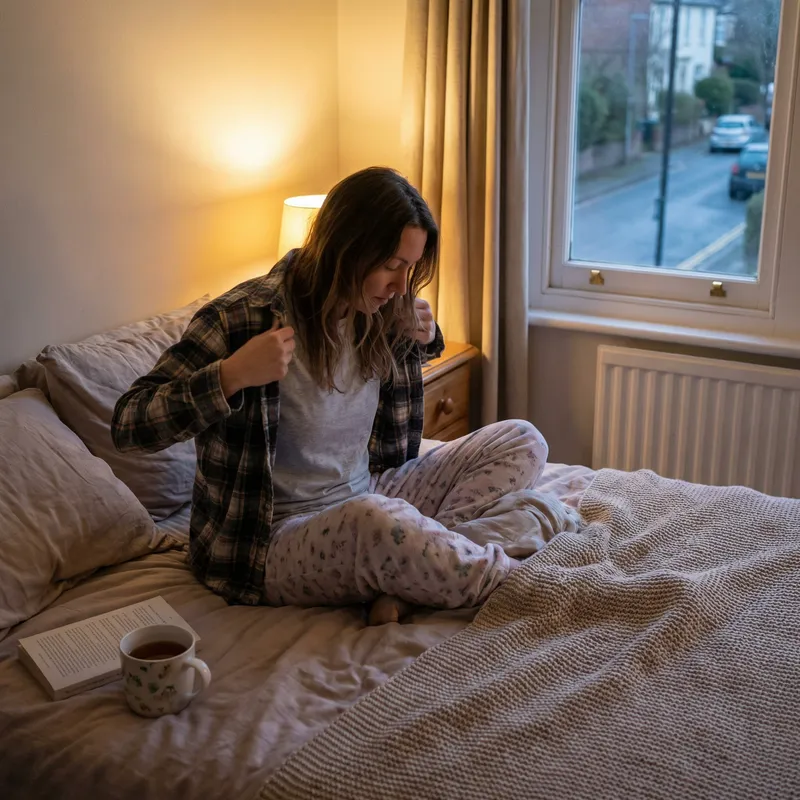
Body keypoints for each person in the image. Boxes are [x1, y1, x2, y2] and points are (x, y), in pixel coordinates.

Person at [112, 167, 548, 624]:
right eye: (391, 266)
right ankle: (523, 584)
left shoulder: (374, 309)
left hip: (368, 489)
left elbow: (402, 392)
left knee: (521, 438)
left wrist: (422, 335)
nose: (401, 286)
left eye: (410, 268)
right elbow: (129, 425)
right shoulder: (240, 319)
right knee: (378, 521)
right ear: (346, 249)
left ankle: (414, 585)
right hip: (270, 538)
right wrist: (229, 376)